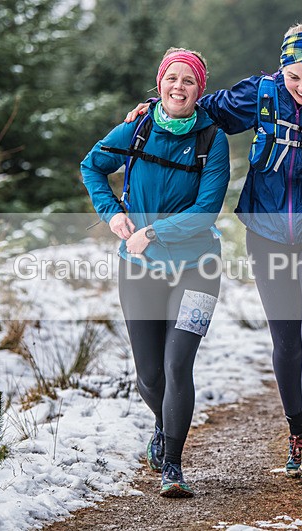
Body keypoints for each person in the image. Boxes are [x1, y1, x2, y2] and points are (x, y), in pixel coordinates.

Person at [128, 23, 302, 483]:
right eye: (295, 77)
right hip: (266, 233)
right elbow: (201, 108)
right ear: (283, 70)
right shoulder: (260, 96)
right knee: (287, 340)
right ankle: (296, 434)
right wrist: (157, 108)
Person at [81, 48, 230, 498]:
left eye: (189, 82)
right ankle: (165, 430)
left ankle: (173, 465)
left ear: (199, 90)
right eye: (172, 79)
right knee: (149, 375)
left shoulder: (212, 139)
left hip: (199, 268)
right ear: (160, 83)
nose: (179, 88)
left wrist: (151, 230)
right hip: (140, 267)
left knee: (177, 363)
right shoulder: (137, 127)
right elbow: (92, 166)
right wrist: (111, 214)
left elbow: (206, 213)